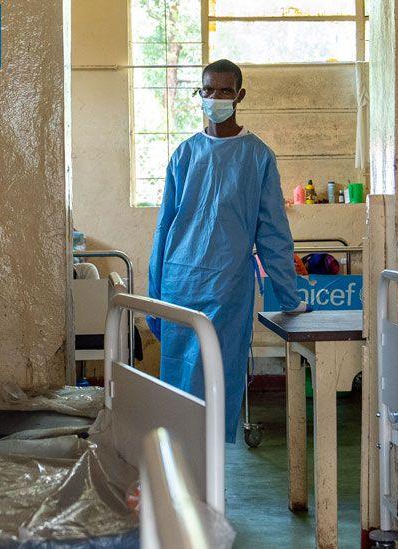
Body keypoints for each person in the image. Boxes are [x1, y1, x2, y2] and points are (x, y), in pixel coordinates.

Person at [147, 59, 307, 443]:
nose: (215, 98)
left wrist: (288, 296)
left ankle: (211, 481)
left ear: (239, 96)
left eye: (223, 91)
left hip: (226, 289)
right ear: (199, 95)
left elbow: (272, 233)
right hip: (179, 283)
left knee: (217, 378)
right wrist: (155, 295)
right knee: (179, 380)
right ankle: (182, 479)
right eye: (208, 90)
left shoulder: (258, 157)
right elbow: (164, 228)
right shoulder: (184, 155)